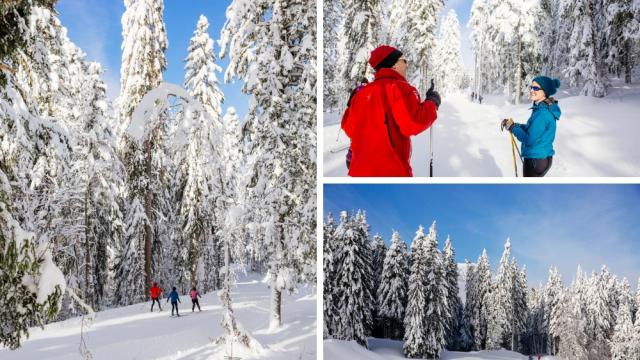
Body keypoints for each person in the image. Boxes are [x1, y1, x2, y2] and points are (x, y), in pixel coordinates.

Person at [341, 45, 441, 177]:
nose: (407, 64)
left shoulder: (360, 94)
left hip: (358, 173)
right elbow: (414, 122)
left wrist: (351, 103)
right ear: (393, 65)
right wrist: (432, 102)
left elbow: (348, 127)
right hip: (391, 173)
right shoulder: (399, 88)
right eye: (403, 60)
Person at [502, 76, 561, 177]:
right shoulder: (543, 109)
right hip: (542, 158)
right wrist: (515, 125)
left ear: (545, 91)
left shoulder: (542, 113)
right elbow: (533, 130)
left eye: (536, 88)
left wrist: (513, 128)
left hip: (535, 159)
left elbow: (529, 139)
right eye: (531, 87)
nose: (532, 90)